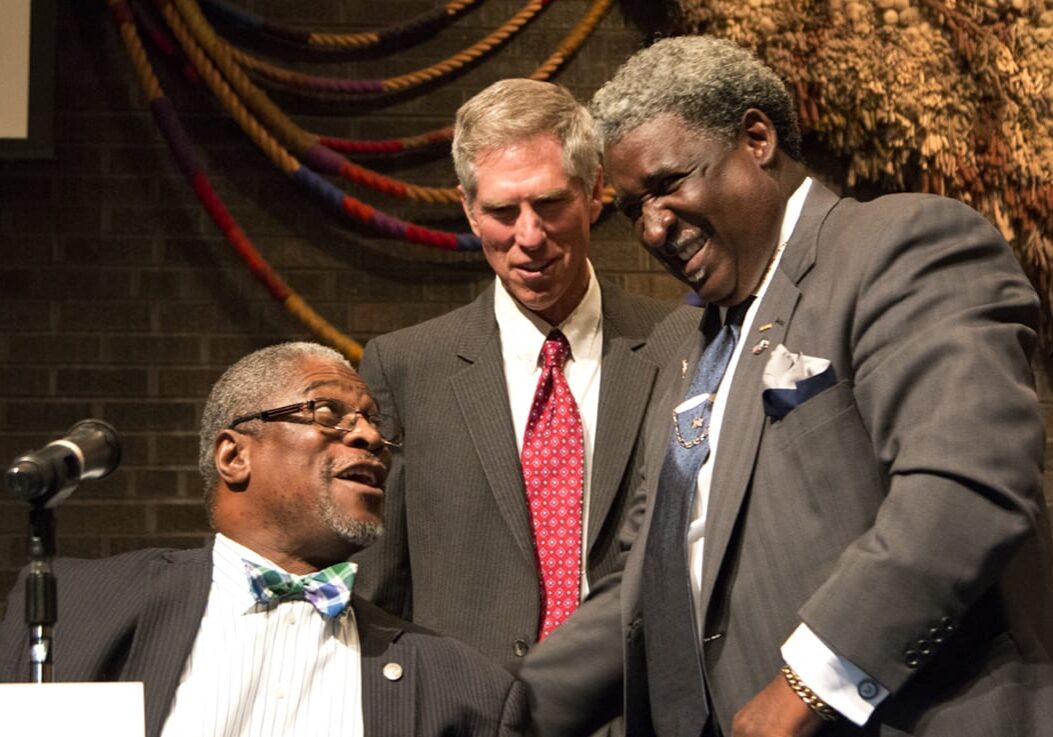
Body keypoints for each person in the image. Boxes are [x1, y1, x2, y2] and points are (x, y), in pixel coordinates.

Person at [520, 36, 1053, 737]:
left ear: (756, 137)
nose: (652, 226)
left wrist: (805, 682)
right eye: (631, 209)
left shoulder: (896, 246)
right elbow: (640, 583)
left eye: (667, 184)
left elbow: (964, 485)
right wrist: (493, 708)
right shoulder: (684, 343)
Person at [353, 76, 699, 692]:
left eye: (550, 204)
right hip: (464, 711)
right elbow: (378, 590)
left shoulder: (682, 343)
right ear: (467, 207)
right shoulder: (404, 367)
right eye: (502, 211)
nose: (529, 236)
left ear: (595, 191)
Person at [0, 342, 528, 737]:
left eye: (373, 423)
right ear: (234, 456)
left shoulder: (464, 690)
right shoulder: (77, 608)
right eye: (328, 413)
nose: (369, 437)